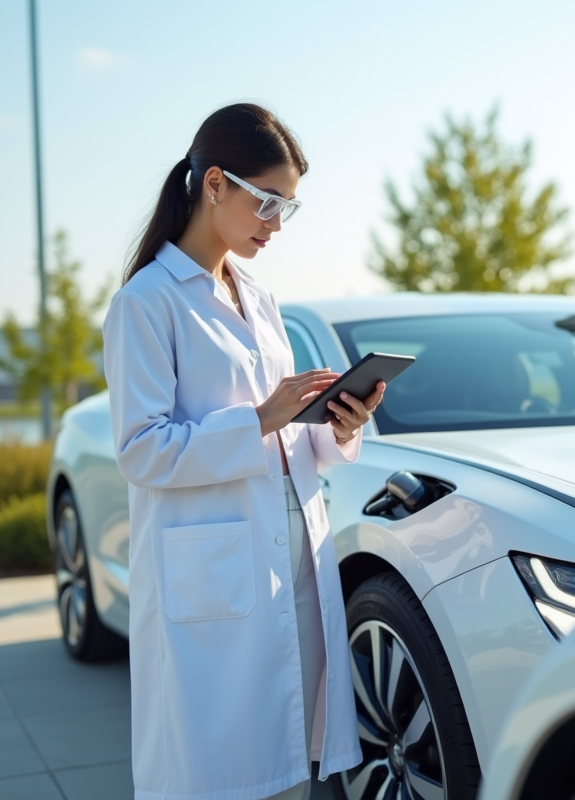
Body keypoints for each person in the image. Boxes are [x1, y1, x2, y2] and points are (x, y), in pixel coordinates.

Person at [103, 102, 383, 800]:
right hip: (216, 569)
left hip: (291, 556)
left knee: (291, 764)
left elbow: (287, 439)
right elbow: (141, 451)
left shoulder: (259, 297)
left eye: (288, 206)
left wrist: (336, 425)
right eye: (266, 201)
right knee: (224, 775)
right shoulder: (148, 302)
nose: (275, 223)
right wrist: (261, 416)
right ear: (215, 184)